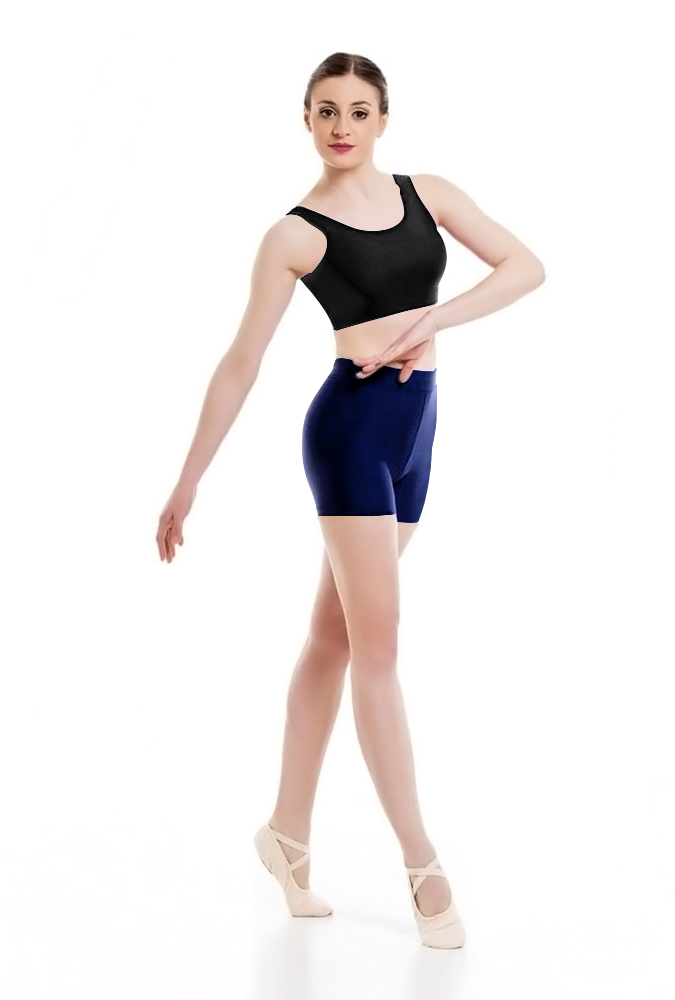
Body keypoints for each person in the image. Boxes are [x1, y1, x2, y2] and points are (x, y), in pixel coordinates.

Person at [155, 51, 545, 949]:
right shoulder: (294, 235)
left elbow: (526, 266)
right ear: (306, 119)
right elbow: (241, 360)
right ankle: (423, 866)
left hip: (418, 429)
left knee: (332, 638)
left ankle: (285, 835)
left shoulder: (429, 193)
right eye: (326, 110)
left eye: (358, 111)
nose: (342, 126)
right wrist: (189, 477)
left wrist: (434, 320)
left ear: (382, 119)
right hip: (351, 432)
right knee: (378, 648)